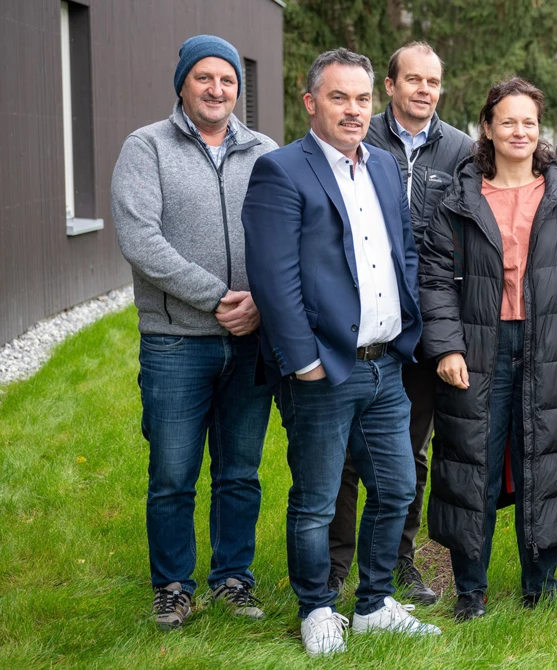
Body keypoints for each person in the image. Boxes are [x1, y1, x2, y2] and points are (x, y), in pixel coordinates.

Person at [241, 48, 440, 656]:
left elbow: (403, 247)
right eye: (338, 97)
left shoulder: (381, 166)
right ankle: (317, 606)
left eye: (361, 99)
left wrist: (408, 326)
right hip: (323, 368)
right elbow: (273, 278)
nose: (353, 111)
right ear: (310, 103)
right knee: (317, 500)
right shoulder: (282, 171)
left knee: (397, 488)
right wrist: (302, 360)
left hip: (386, 363)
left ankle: (376, 601)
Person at [418, 77, 557, 621]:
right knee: (469, 464)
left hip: (550, 345)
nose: (519, 131)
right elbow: (433, 279)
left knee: (545, 462)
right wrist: (447, 346)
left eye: (529, 122)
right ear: (488, 128)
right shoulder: (460, 198)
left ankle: (541, 588)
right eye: (508, 121)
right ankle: (470, 593)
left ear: (538, 129)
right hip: (479, 347)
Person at [112, 34, 278, 630]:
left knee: (240, 470)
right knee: (173, 474)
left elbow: (287, 237)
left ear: (238, 87)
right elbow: (140, 240)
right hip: (175, 341)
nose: (217, 89)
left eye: (227, 79)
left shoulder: (265, 151)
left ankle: (234, 578)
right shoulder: (146, 148)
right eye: (204, 77)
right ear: (182, 83)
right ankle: (173, 585)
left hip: (252, 340)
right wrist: (218, 298)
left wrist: (261, 301)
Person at [327, 40, 475, 605]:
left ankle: (395, 560)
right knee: (341, 453)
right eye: (412, 80)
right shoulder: (361, 134)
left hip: (425, 325)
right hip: (361, 321)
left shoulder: (461, 149)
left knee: (409, 452)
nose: (423, 91)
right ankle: (337, 564)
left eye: (433, 82)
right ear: (389, 86)